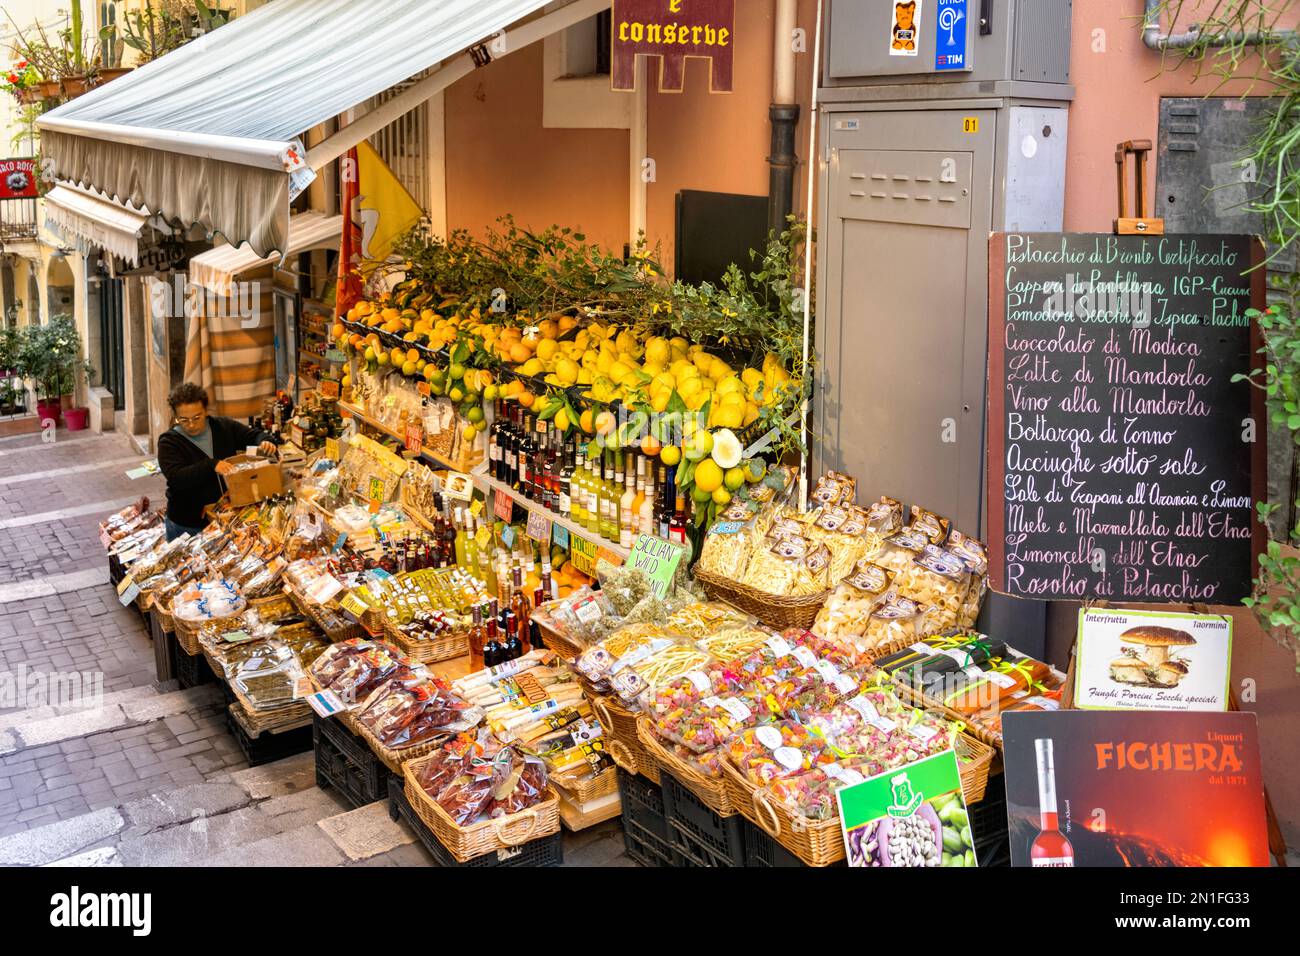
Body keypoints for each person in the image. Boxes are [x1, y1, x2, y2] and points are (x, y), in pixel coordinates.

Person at [157, 383, 277, 541]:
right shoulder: (169, 442)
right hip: (187, 523)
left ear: (206, 411)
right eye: (184, 420)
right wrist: (211, 465)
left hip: (224, 518)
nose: (191, 425)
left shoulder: (223, 427)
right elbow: (177, 477)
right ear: (175, 416)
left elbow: (253, 435)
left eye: (197, 417)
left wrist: (265, 441)